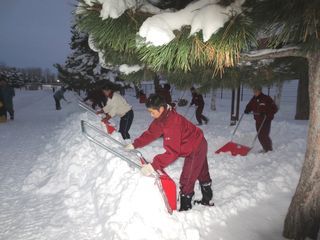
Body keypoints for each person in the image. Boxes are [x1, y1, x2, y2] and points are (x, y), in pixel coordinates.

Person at [125, 94, 214, 211]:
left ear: (161, 109)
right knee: (201, 171)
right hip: (197, 142)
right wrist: (135, 144)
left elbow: (172, 153)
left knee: (187, 178)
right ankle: (207, 198)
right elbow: (151, 133)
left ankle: (185, 207)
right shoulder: (162, 118)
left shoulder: (172, 123)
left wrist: (153, 166)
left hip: (195, 148)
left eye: (152, 112)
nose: (151, 115)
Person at [244, 86, 278, 153]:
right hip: (258, 120)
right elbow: (249, 106)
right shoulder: (253, 99)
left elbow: (274, 109)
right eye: (254, 91)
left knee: (264, 135)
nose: (255, 93)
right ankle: (265, 148)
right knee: (259, 135)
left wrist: (266, 113)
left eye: (256, 91)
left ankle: (269, 149)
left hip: (266, 120)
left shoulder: (266, 98)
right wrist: (247, 110)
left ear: (260, 91)